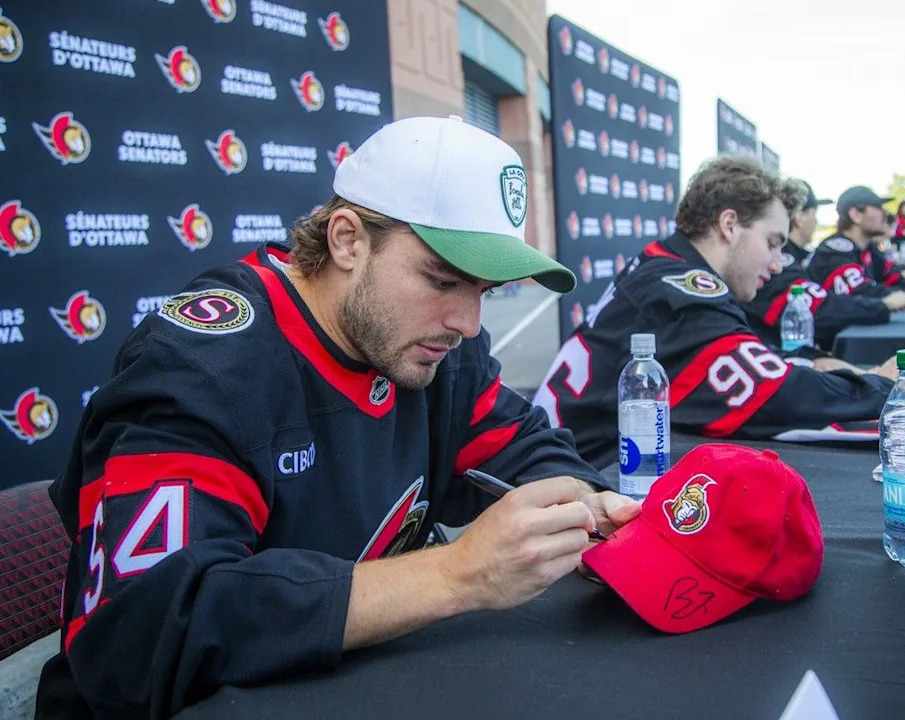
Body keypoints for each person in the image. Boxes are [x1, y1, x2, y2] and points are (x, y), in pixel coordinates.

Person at [34, 116, 642, 718]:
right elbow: (143, 633)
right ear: (348, 239)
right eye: (442, 279)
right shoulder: (205, 365)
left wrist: (584, 502)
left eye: (483, 290)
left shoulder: (432, 349)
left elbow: (525, 445)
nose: (467, 322)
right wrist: (459, 573)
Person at [532, 157, 905, 469]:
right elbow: (775, 396)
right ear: (729, 224)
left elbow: (751, 358)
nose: (776, 264)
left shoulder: (664, 264)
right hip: (577, 485)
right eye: (772, 243)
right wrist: (884, 388)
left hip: (574, 464)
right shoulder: (683, 289)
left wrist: (824, 364)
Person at [741, 180, 905, 350]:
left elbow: (891, 276)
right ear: (799, 216)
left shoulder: (800, 254)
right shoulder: (830, 250)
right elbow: (819, 307)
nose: (816, 221)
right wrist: (885, 305)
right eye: (815, 213)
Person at [806, 186, 905, 305]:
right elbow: (862, 292)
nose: (886, 214)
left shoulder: (867, 248)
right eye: (878, 207)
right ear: (856, 214)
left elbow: (891, 275)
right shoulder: (835, 251)